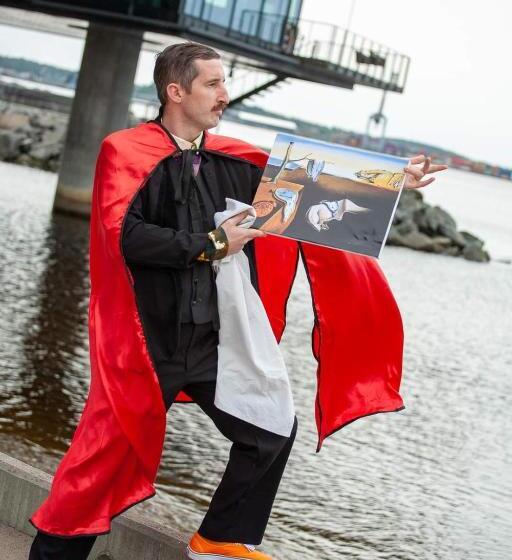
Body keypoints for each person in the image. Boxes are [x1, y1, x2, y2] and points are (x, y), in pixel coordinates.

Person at [28, 42, 446, 560]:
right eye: (213, 84)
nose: (224, 94)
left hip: (208, 341)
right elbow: (126, 238)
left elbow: (308, 186)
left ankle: (220, 536)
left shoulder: (228, 157)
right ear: (175, 91)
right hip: (143, 345)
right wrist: (212, 243)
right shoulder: (125, 151)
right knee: (98, 468)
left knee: (271, 427)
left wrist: (391, 180)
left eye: (224, 83)